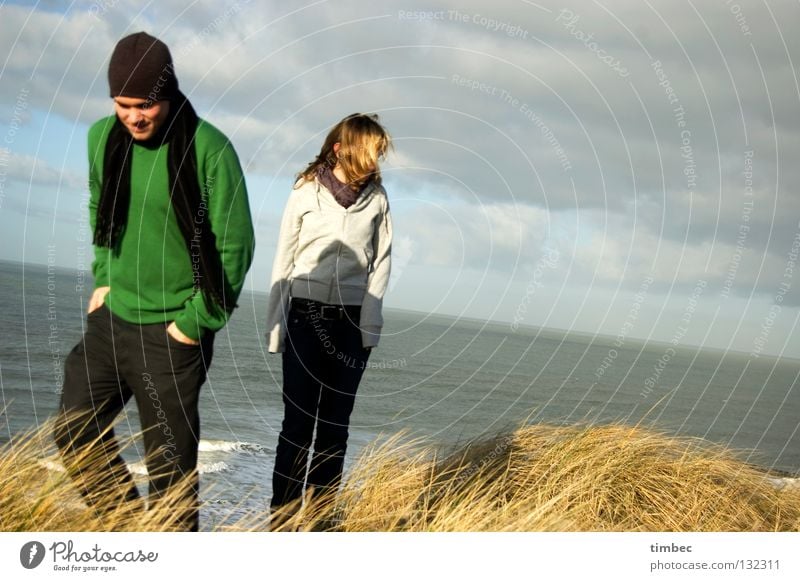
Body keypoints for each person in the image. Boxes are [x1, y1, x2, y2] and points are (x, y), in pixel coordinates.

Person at [54, 31, 255, 531]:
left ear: (168, 94)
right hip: (113, 318)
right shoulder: (100, 137)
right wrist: (104, 277)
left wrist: (196, 322)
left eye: (146, 104)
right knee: (74, 429)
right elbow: (101, 210)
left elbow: (236, 245)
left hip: (172, 335)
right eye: (123, 104)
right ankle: (126, 534)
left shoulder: (210, 149)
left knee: (171, 482)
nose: (134, 116)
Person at [266, 113, 392, 521]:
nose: (376, 161)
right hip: (304, 319)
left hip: (351, 327)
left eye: (380, 154)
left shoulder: (378, 198)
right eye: (372, 151)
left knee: (335, 429)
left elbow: (382, 265)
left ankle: (322, 524)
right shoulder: (304, 191)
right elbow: (283, 259)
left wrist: (368, 328)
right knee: (298, 429)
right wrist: (275, 327)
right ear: (341, 148)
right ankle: (281, 524)